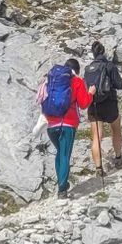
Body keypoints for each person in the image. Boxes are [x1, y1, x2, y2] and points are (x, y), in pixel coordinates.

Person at [37, 57, 93, 197]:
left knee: (60, 153)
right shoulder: (77, 81)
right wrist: (91, 93)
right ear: (77, 70)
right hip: (68, 124)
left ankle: (62, 182)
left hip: (50, 125)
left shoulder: (51, 81)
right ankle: (62, 188)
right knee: (65, 154)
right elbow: (84, 103)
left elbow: (40, 99)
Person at [83, 40, 122, 173]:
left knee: (97, 137)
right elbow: (119, 85)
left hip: (94, 104)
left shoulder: (88, 69)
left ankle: (98, 168)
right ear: (103, 52)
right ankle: (118, 157)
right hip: (109, 103)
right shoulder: (110, 66)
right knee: (116, 129)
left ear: (93, 54)